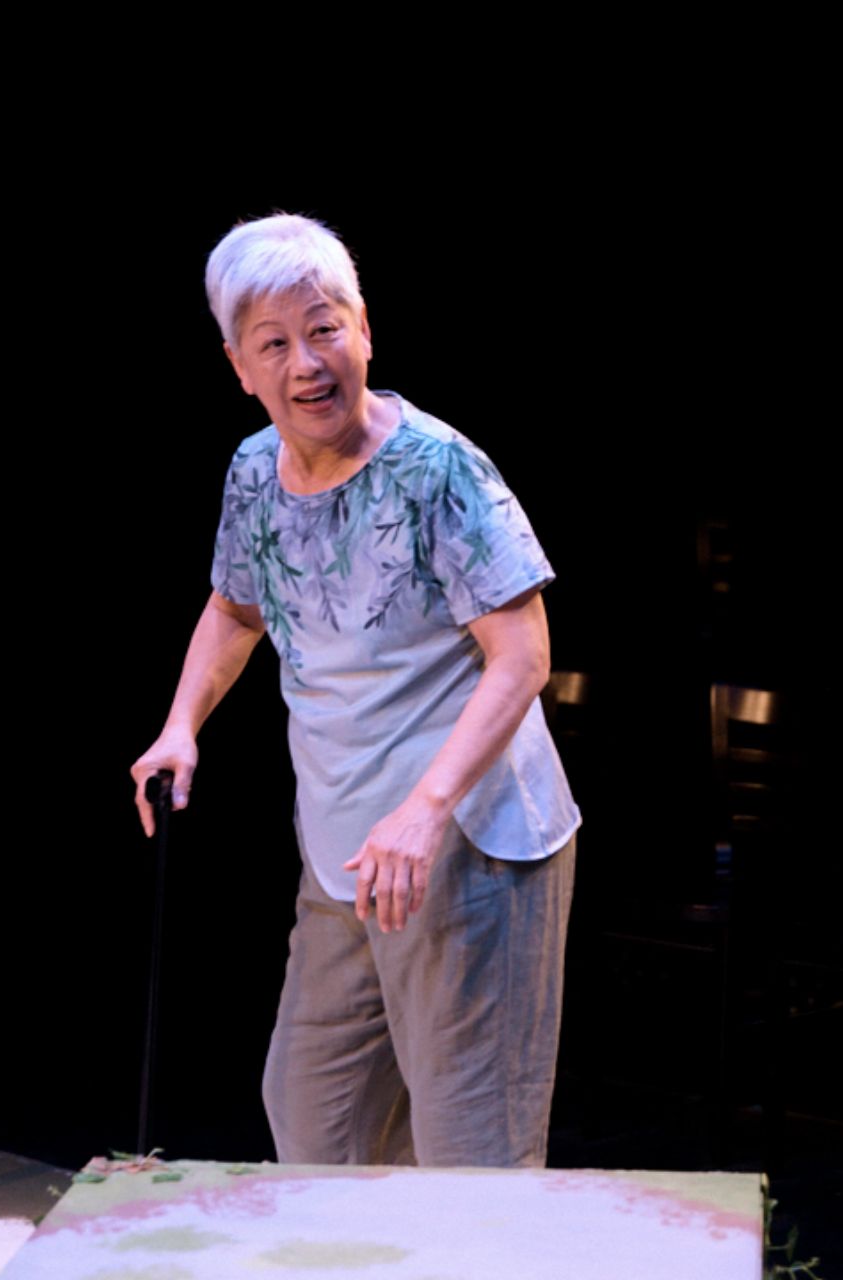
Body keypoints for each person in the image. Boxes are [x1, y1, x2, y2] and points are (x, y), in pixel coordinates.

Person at [129, 214, 581, 1169]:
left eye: (324, 329)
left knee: (469, 1155)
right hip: (345, 857)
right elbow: (235, 610)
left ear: (365, 329)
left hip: (466, 844)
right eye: (274, 344)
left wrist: (425, 809)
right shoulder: (255, 471)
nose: (307, 364)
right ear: (239, 367)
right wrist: (181, 725)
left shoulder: (440, 470)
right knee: (315, 1120)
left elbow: (523, 658)